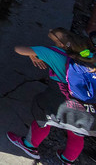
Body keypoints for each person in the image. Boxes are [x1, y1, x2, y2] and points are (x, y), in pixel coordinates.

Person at [8, 28, 96, 161]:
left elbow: (18, 49)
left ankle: (30, 146)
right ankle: (67, 159)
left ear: (62, 44)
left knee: (43, 118)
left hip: (58, 106)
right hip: (86, 113)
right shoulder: (92, 60)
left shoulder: (55, 53)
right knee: (77, 134)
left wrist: (33, 53)